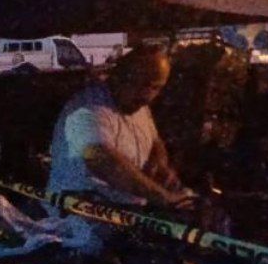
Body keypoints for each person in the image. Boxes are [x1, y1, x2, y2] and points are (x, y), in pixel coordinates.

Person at [46, 45, 193, 210]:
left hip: (128, 211)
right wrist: (163, 197)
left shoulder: (137, 104)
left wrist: (160, 166)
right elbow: (102, 161)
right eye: (143, 84)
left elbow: (155, 141)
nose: (148, 95)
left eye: (156, 87)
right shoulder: (86, 109)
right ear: (119, 76)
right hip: (79, 216)